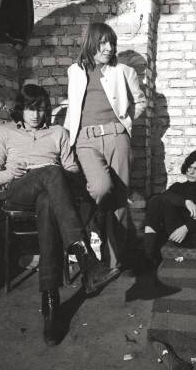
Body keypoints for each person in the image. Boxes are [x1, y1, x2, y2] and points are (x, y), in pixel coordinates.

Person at [0, 84, 120, 345]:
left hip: (50, 194)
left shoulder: (59, 132)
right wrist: (11, 174)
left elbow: (70, 171)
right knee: (50, 172)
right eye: (29, 109)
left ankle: (51, 306)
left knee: (49, 196)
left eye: (41, 109)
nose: (35, 115)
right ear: (20, 110)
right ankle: (83, 254)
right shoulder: (4, 133)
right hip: (20, 191)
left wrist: (58, 174)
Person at [64, 22, 146, 270]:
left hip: (116, 136)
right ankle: (93, 227)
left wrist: (125, 122)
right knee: (100, 188)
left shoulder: (124, 71)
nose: (109, 48)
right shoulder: (74, 71)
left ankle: (115, 258)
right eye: (103, 43)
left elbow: (140, 102)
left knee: (120, 200)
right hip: (85, 140)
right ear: (91, 43)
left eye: (111, 43)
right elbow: (73, 106)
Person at [143, 149, 196, 265]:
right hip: (177, 236)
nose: (191, 172)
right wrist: (186, 202)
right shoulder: (179, 187)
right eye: (189, 167)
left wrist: (187, 227)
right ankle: (149, 255)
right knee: (157, 200)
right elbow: (165, 197)